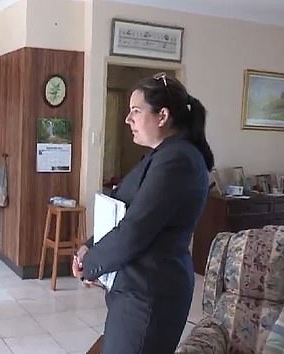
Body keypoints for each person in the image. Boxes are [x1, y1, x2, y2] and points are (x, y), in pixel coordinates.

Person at [73, 72, 214, 354]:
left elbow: (135, 229)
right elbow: (122, 208)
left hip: (151, 293)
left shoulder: (178, 160)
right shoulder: (159, 155)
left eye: (136, 111)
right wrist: (89, 246)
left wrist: (92, 264)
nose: (128, 120)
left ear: (162, 116)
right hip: (136, 287)